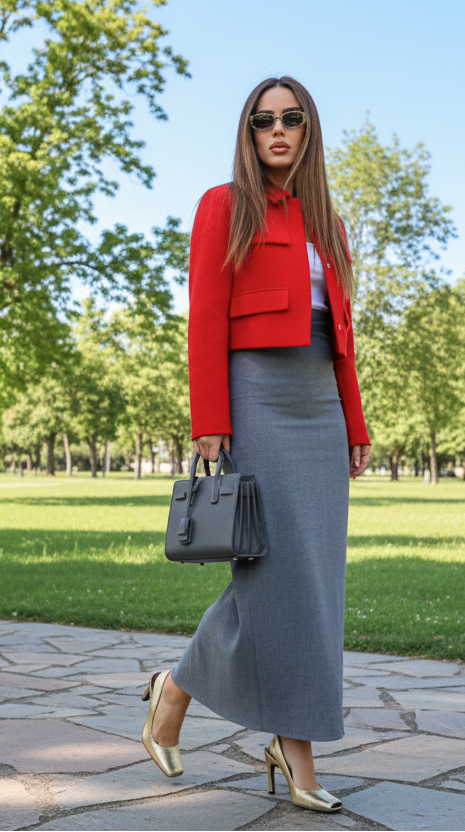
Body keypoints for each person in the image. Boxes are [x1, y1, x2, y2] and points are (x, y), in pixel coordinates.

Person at [139, 76, 371, 814]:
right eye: (262, 120)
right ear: (248, 132)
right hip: (254, 396)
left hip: (319, 401)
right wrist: (209, 415)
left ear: (308, 130)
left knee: (316, 580)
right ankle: (216, 712)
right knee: (272, 573)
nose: (277, 130)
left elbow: (342, 337)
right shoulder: (223, 205)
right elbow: (204, 314)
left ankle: (203, 704)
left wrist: (356, 423)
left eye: (291, 119)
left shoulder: (326, 220)